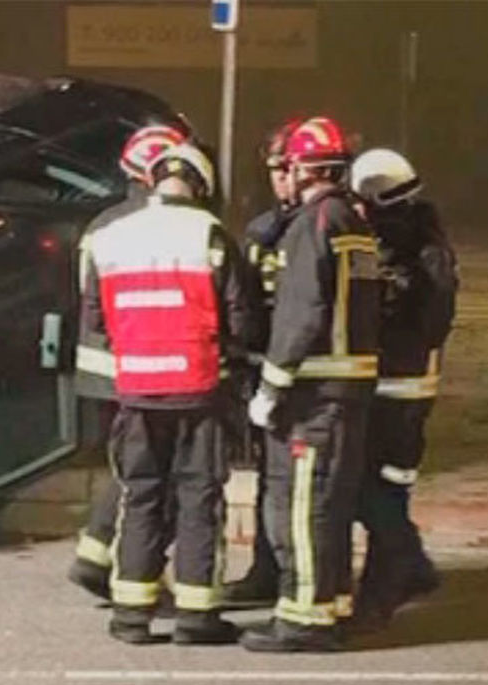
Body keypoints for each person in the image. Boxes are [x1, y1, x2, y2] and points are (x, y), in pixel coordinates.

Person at [80, 142, 250, 645]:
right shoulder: (210, 234)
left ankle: (131, 616)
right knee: (199, 498)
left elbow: (94, 318)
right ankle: (197, 615)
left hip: (135, 393)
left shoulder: (112, 237)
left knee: (141, 496)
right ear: (199, 186)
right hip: (198, 391)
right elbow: (241, 320)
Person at [243, 117, 382, 653]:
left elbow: (302, 314)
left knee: (303, 507)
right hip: (349, 390)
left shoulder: (311, 225)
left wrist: (272, 387)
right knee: (331, 504)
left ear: (302, 168)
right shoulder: (353, 221)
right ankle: (330, 603)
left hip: (313, 394)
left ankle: (304, 620)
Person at [68, 123, 189, 600]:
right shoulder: (161, 223)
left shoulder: (104, 222)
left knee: (132, 467)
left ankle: (99, 556)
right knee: (153, 471)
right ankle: (112, 562)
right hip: (138, 363)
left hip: (102, 367)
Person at [347, 148, 458, 632]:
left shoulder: (416, 254)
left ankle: (386, 585)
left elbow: (430, 323)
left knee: (376, 489)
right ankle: (412, 567)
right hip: (399, 385)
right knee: (385, 488)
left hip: (397, 388)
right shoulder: (420, 243)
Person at [219, 120, 302, 607]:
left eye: (286, 167)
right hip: (266, 372)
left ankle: (305, 579)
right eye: (273, 168)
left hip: (312, 379)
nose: (280, 178)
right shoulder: (262, 231)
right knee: (272, 481)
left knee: (307, 491)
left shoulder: (326, 224)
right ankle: (267, 570)